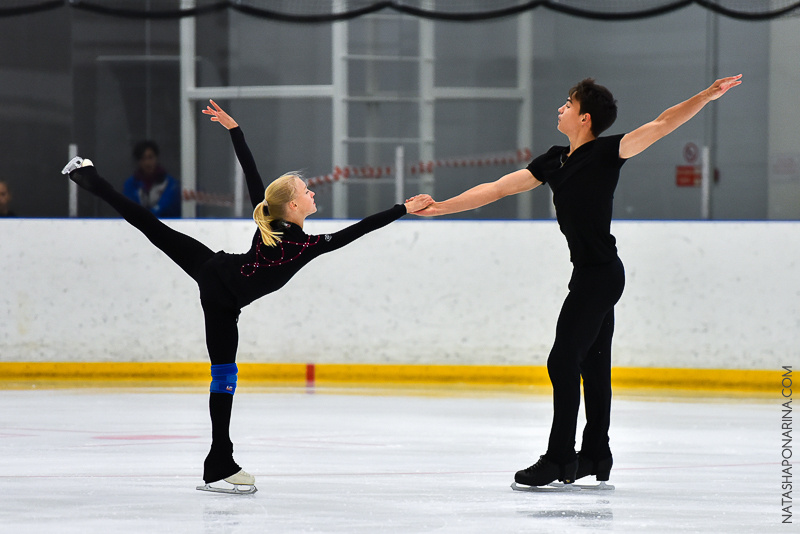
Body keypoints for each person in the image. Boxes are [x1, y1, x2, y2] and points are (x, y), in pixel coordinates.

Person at [61, 100, 433, 494]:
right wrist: (401, 209)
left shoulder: (278, 223)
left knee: (151, 227)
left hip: (213, 273)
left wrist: (235, 130)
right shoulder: (303, 243)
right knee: (223, 375)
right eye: (306, 190)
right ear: (293, 204)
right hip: (221, 297)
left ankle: (90, 179)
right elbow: (356, 230)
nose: (312, 192)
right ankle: (219, 461)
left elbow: (256, 175)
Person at [413, 75, 742, 488]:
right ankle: (596, 455)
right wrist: (442, 208)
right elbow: (498, 188)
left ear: (584, 117)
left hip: (601, 276)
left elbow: (662, 124)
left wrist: (706, 95)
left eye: (567, 104)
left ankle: (558, 459)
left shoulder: (609, 152)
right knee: (592, 365)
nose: (560, 109)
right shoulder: (554, 160)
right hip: (590, 273)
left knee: (562, 360)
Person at [123, 140, 181, 218]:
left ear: (156, 158)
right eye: (143, 159)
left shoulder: (169, 183)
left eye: (150, 157)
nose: (147, 163)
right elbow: (129, 209)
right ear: (138, 161)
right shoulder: (130, 184)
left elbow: (165, 206)